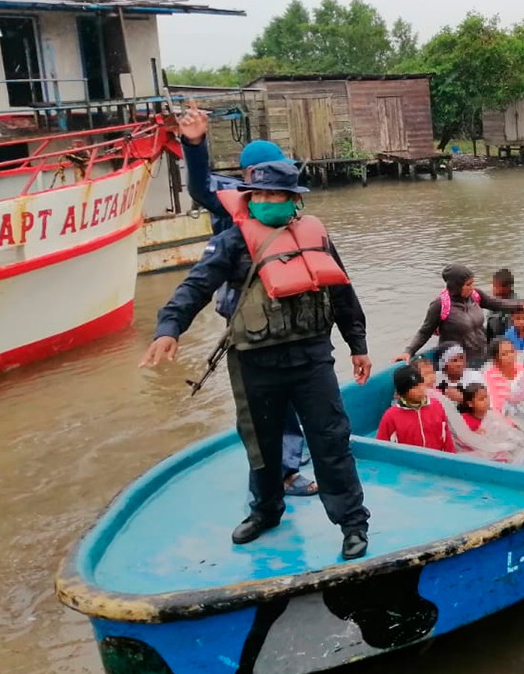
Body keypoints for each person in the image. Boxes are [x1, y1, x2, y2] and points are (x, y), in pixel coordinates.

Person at [139, 160, 371, 560]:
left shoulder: (315, 235)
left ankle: (352, 523)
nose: (263, 201)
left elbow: (342, 292)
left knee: (331, 441)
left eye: (272, 195)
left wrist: (358, 344)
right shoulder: (233, 241)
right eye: (256, 195)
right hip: (254, 363)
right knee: (260, 445)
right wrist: (169, 328)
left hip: (311, 359)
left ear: (293, 200)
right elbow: (197, 284)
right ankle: (265, 511)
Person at [175, 100, 317, 499]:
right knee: (262, 402)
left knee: (292, 391)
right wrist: (195, 142)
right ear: (251, 176)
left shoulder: (284, 202)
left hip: (286, 307)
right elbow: (199, 184)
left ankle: (289, 457)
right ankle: (283, 474)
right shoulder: (228, 194)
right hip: (247, 314)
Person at [397, 265, 524, 365]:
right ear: (456, 286)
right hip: (460, 363)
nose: (472, 287)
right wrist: (408, 351)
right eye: (468, 284)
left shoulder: (475, 295)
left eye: (473, 283)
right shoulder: (440, 305)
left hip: (484, 355)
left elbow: (496, 303)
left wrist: (521, 305)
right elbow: (424, 332)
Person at [378, 366, 456, 453]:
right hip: (407, 464)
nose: (420, 390)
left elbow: (446, 436)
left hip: (435, 460)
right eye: (414, 387)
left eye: (421, 384)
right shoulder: (391, 416)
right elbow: (382, 445)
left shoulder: (436, 405)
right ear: (403, 392)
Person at [482, 337, 521, 413]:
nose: (510, 356)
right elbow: (493, 406)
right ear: (495, 359)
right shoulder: (488, 377)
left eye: (512, 351)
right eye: (504, 354)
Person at [485, 268, 517, 342]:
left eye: (495, 286)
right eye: (493, 285)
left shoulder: (514, 306)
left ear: (507, 288)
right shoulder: (493, 302)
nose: (492, 289)